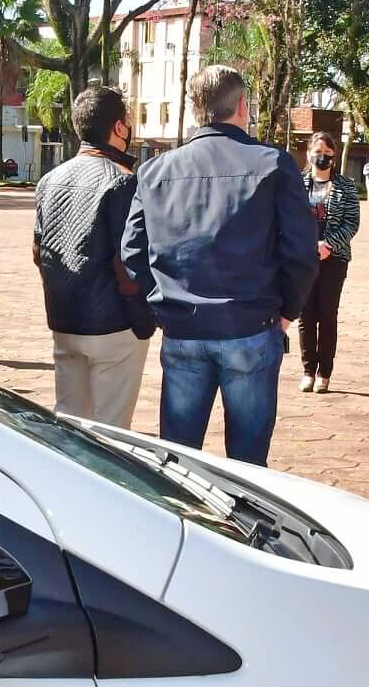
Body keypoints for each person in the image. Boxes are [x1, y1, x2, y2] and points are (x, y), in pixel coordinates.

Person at [122, 64, 317, 465]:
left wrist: (163, 303)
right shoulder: (273, 164)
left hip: (183, 328)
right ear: (242, 105)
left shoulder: (156, 170)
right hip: (250, 327)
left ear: (196, 108)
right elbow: (300, 251)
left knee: (176, 461)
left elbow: (132, 252)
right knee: (247, 467)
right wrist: (288, 312)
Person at [32, 85, 153, 428]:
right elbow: (129, 260)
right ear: (118, 128)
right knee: (111, 433)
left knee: (68, 425)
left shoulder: (49, 181)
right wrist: (143, 319)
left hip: (64, 321)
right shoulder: (123, 183)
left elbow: (40, 253)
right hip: (113, 326)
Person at [297, 131, 362, 393]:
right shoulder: (297, 184)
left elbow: (352, 222)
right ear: (308, 154)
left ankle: (325, 372)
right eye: (317, 152)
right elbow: (289, 220)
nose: (322, 158)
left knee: (327, 314)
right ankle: (307, 370)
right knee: (305, 315)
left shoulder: (346, 186)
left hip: (334, 258)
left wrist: (329, 244)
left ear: (334, 157)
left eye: (327, 154)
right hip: (304, 257)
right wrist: (308, 245)